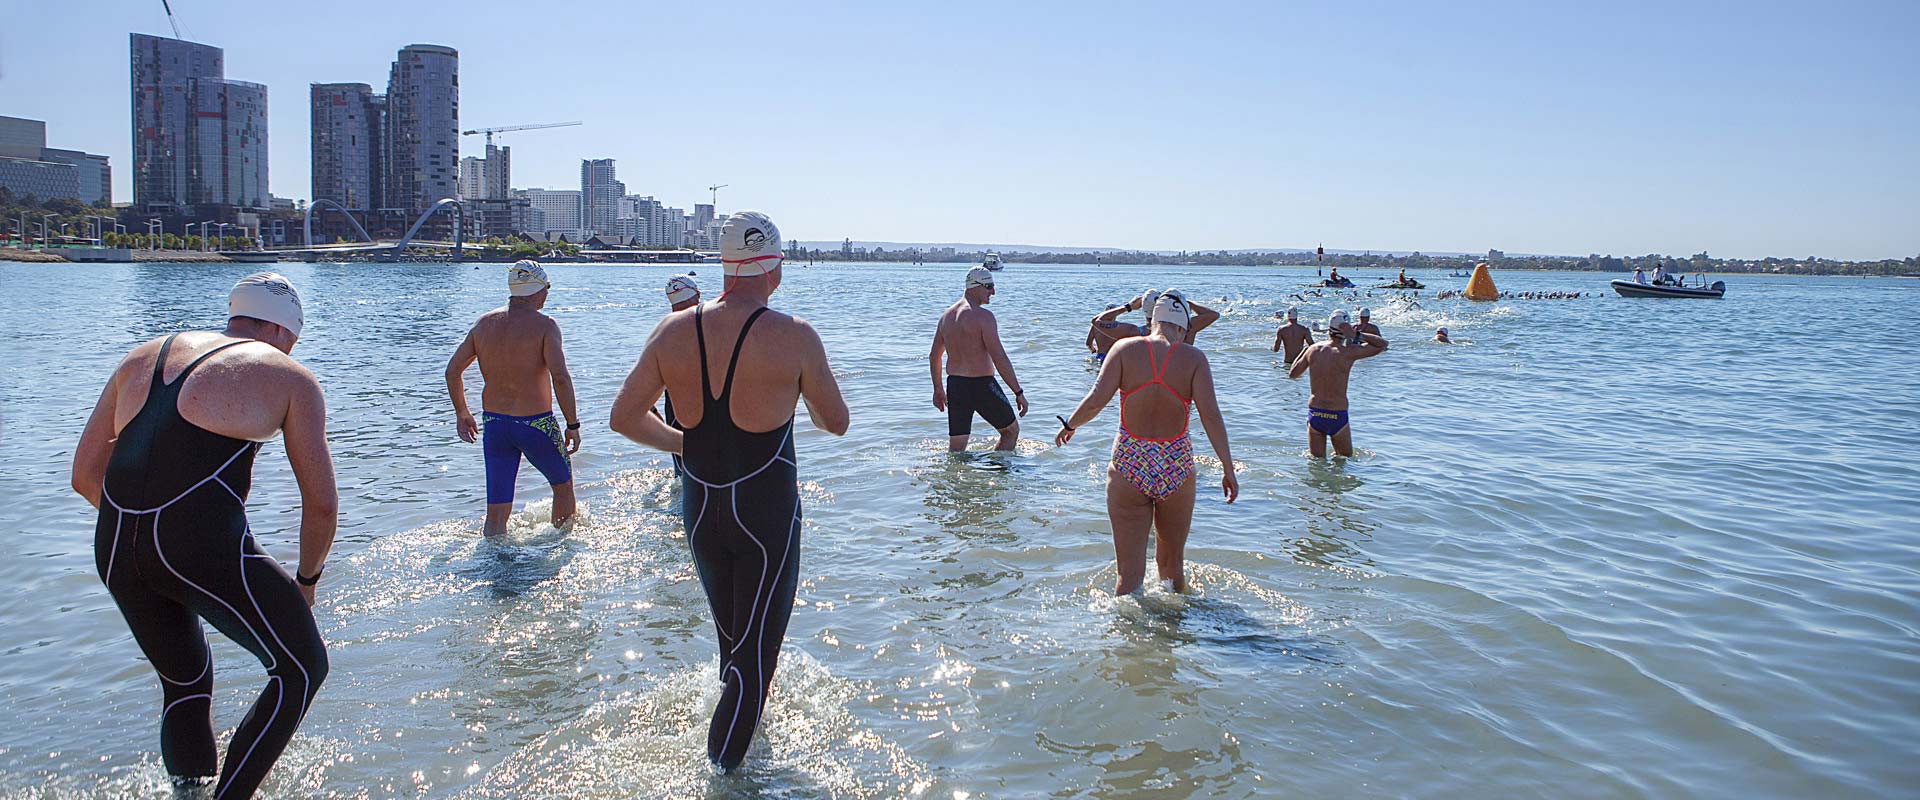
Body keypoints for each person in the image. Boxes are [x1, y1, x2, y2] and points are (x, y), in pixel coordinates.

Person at [71, 273, 335, 798]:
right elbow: (322, 506)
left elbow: (84, 474)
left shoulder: (142, 356)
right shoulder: (290, 377)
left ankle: (188, 792)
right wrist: (306, 582)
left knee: (186, 683)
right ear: (283, 331)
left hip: (115, 547)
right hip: (197, 546)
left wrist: (146, 533)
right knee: (302, 667)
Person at [609, 211, 849, 772]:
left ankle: (740, 745)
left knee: (731, 647)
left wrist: (687, 445)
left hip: (700, 511)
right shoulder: (795, 335)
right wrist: (798, 394)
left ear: (725, 265)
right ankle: (721, 777)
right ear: (773, 267)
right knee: (755, 662)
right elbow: (835, 422)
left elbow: (623, 417)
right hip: (765, 516)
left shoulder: (672, 331)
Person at [1056, 290, 1237, 595]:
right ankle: (1176, 623)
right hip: (1176, 465)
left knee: (1127, 576)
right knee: (1172, 570)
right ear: (1182, 326)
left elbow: (1096, 399)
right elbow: (1211, 416)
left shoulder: (1124, 349)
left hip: (1129, 462)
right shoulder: (1194, 359)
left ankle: (1125, 625)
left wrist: (1070, 425)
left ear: (1154, 320)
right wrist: (1227, 468)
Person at [445, 260, 581, 537]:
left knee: (496, 510)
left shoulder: (483, 324)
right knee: (563, 486)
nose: (547, 293)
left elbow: (452, 371)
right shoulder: (545, 326)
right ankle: (561, 544)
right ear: (537, 290)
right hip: (536, 425)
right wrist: (572, 424)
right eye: (547, 287)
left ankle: (493, 555)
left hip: (495, 425)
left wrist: (462, 413)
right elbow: (560, 378)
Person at [930, 266, 1028, 451]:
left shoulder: (946, 317)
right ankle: (997, 469)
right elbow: (999, 357)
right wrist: (1018, 392)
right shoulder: (984, 317)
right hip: (982, 386)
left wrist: (938, 389)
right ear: (975, 286)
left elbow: (934, 356)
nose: (993, 292)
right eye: (989, 286)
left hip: (955, 386)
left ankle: (959, 472)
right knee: (1011, 432)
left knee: (957, 449)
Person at [1288, 310, 1388, 457]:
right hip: (1337, 414)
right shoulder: (1349, 352)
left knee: (1317, 462)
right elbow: (1382, 345)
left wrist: (1305, 351)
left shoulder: (1313, 350)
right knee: (1344, 459)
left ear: (1329, 328)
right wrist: (1357, 335)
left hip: (1315, 412)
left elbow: (1293, 374)